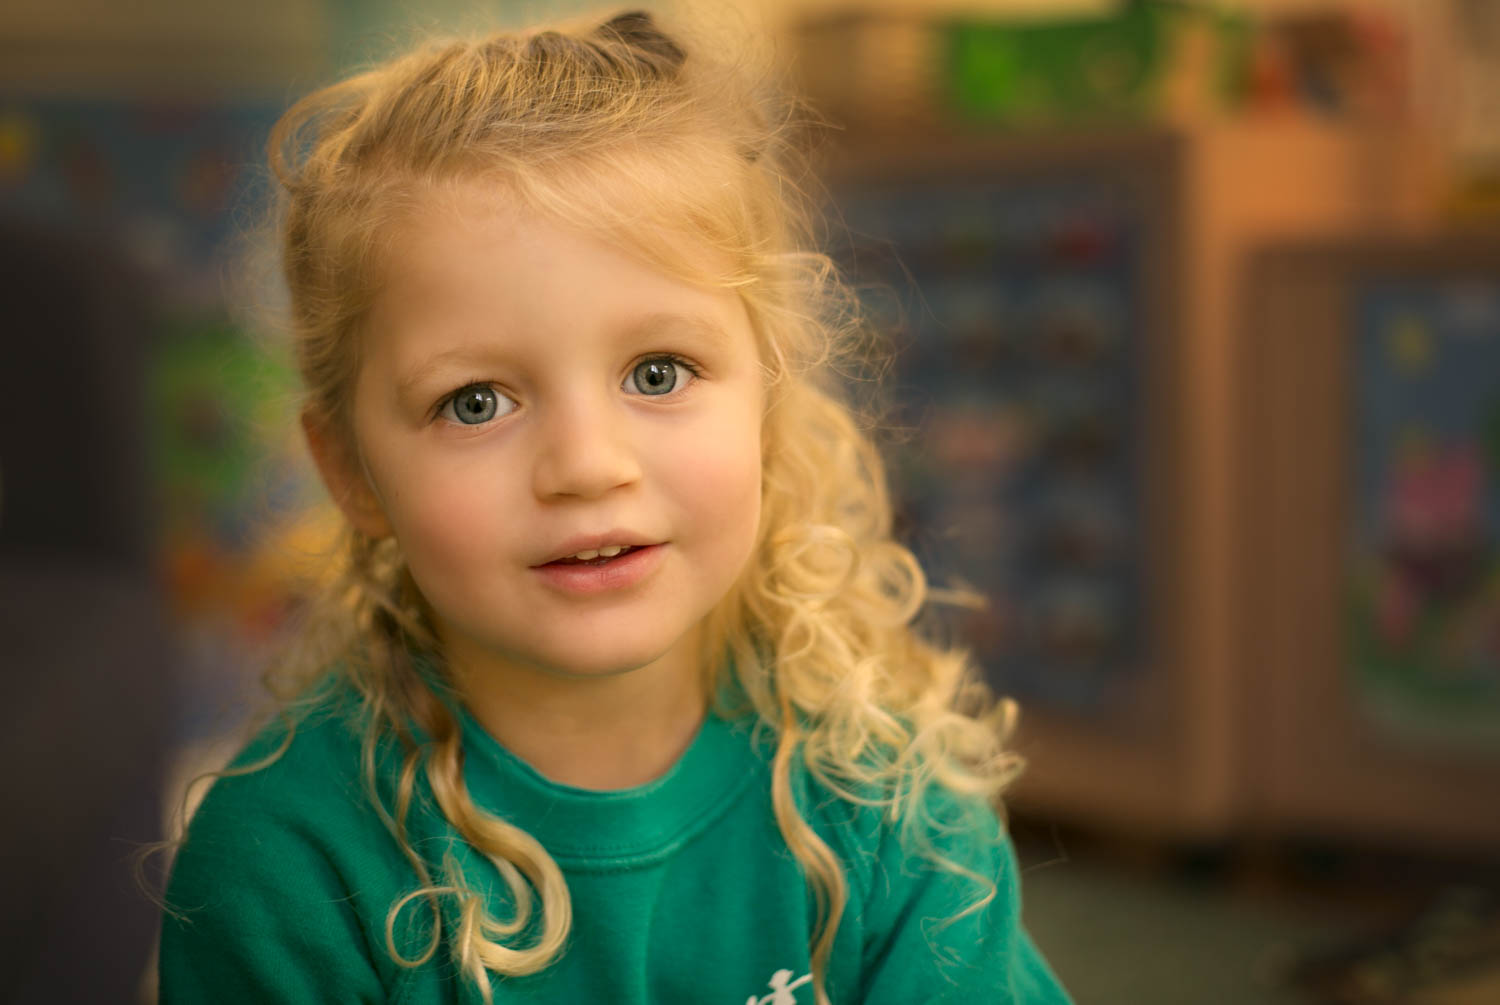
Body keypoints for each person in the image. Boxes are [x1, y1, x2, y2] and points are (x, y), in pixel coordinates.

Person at [157, 10, 1071, 1004]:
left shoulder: (896, 804)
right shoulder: (283, 870)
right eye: (476, 403)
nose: (586, 467)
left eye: (657, 371)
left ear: (765, 403)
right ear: (350, 475)